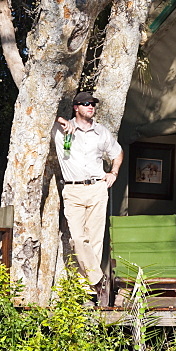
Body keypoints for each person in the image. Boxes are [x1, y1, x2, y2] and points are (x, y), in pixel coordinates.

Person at [53, 90, 123, 304]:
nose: (90, 106)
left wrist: (113, 173)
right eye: (85, 103)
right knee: (77, 239)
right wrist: (63, 120)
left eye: (93, 103)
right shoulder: (62, 128)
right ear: (76, 107)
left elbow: (117, 153)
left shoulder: (101, 132)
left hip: (97, 188)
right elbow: (44, 112)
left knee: (95, 241)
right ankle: (98, 279)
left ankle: (87, 295)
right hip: (73, 190)